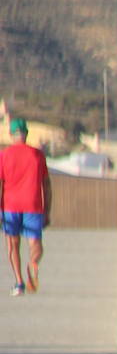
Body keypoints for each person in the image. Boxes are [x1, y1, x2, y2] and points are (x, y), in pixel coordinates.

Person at [0, 117, 51, 298]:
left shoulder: (4, 155)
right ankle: (34, 262)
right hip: (33, 204)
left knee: (12, 244)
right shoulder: (38, 155)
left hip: (10, 206)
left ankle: (19, 282)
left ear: (11, 135)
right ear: (26, 134)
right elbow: (46, 185)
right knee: (35, 242)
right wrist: (47, 211)